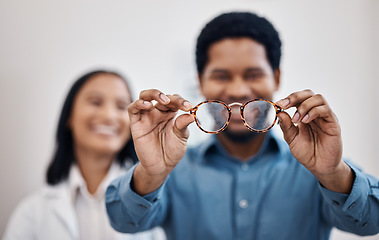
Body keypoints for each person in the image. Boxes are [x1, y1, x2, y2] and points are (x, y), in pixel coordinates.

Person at [105, 12, 379, 240]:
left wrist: (333, 173)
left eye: (253, 74)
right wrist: (150, 174)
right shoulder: (171, 171)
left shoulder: (318, 169)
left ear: (276, 77)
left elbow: (371, 221)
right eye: (222, 76)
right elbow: (124, 220)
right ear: (200, 82)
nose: (237, 90)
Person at [3, 70, 165, 240]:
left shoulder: (154, 209)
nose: (109, 116)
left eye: (121, 106)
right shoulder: (32, 212)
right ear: (69, 117)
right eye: (95, 102)